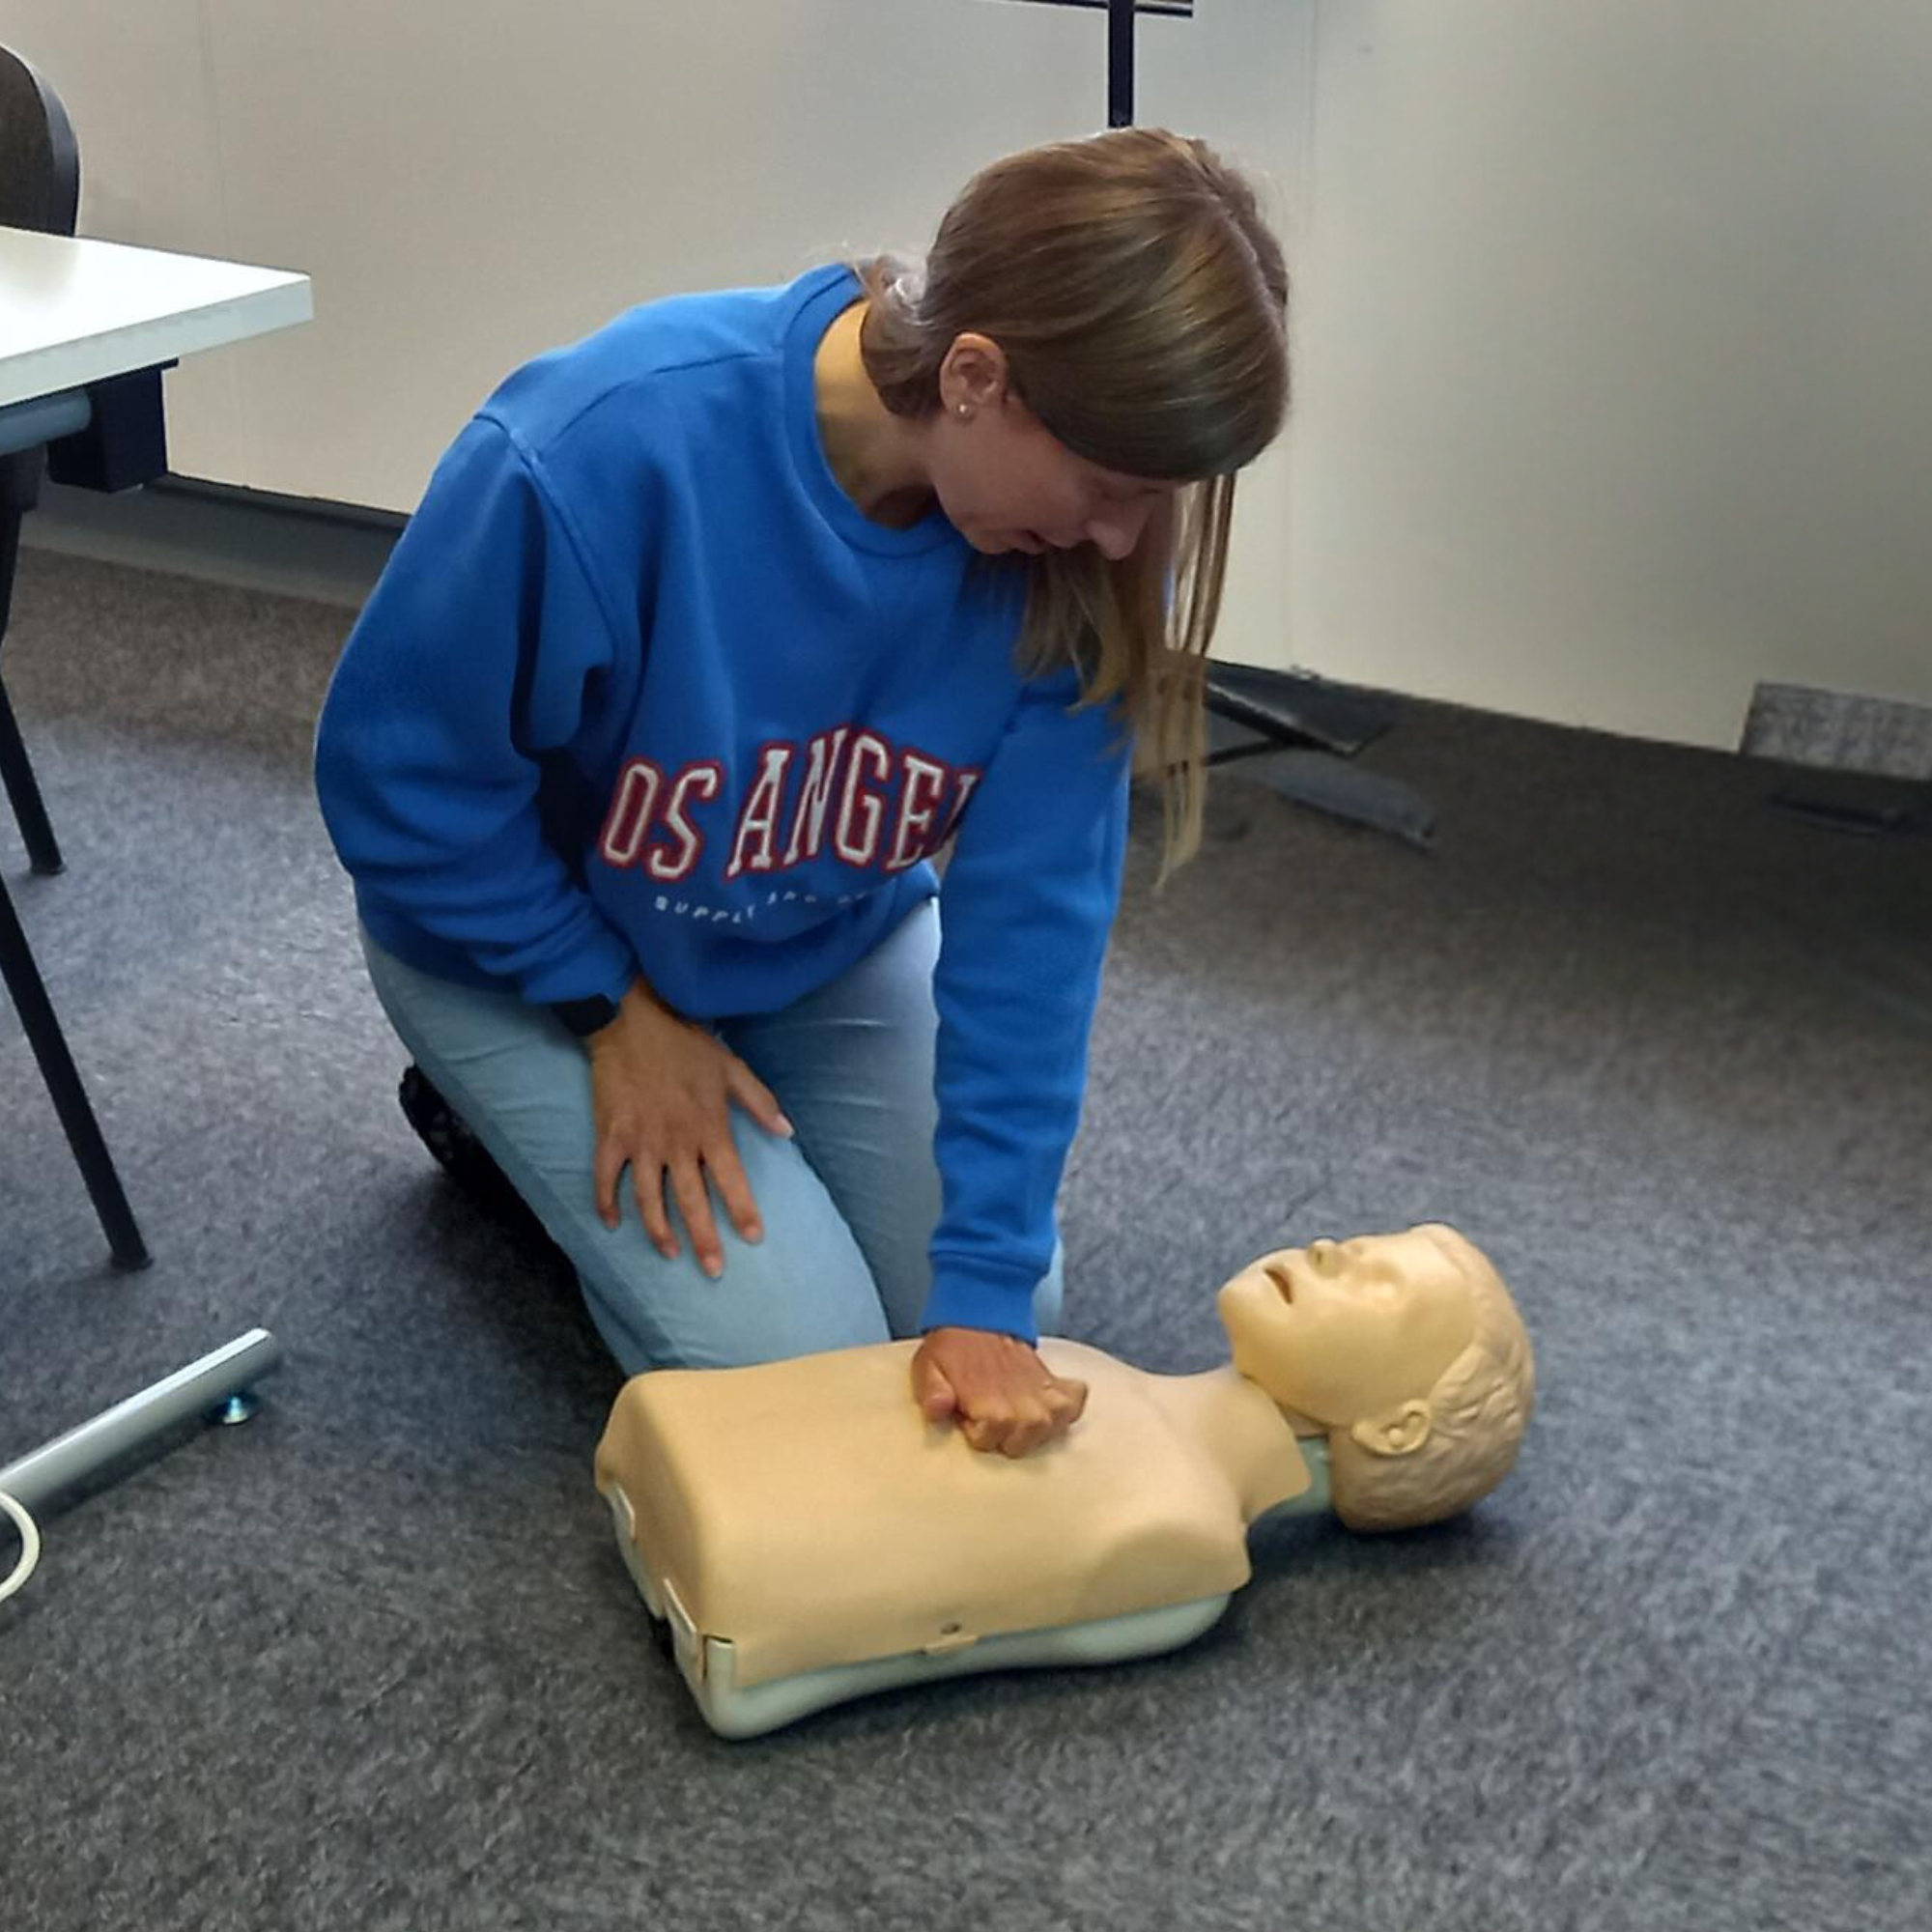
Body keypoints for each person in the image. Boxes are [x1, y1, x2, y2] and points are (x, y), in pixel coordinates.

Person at [313, 127, 1291, 1453]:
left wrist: (988, 1290)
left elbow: (1033, 931)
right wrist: (610, 1013)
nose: (1125, 541)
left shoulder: (1081, 557)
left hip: (816, 933)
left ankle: (717, 1122)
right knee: (799, 1372)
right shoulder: (601, 447)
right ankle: (501, 1135)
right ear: (975, 376)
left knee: (997, 1306)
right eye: (1107, 486)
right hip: (532, 948)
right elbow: (395, 785)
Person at [593, 1224, 1536, 1737]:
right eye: (1362, 1238)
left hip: (741, 1566)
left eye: (1378, 1281)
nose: (1332, 1246)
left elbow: (930, 1644)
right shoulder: (1096, 1370)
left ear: (1397, 1427)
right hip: (701, 1467)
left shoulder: (1189, 1544)